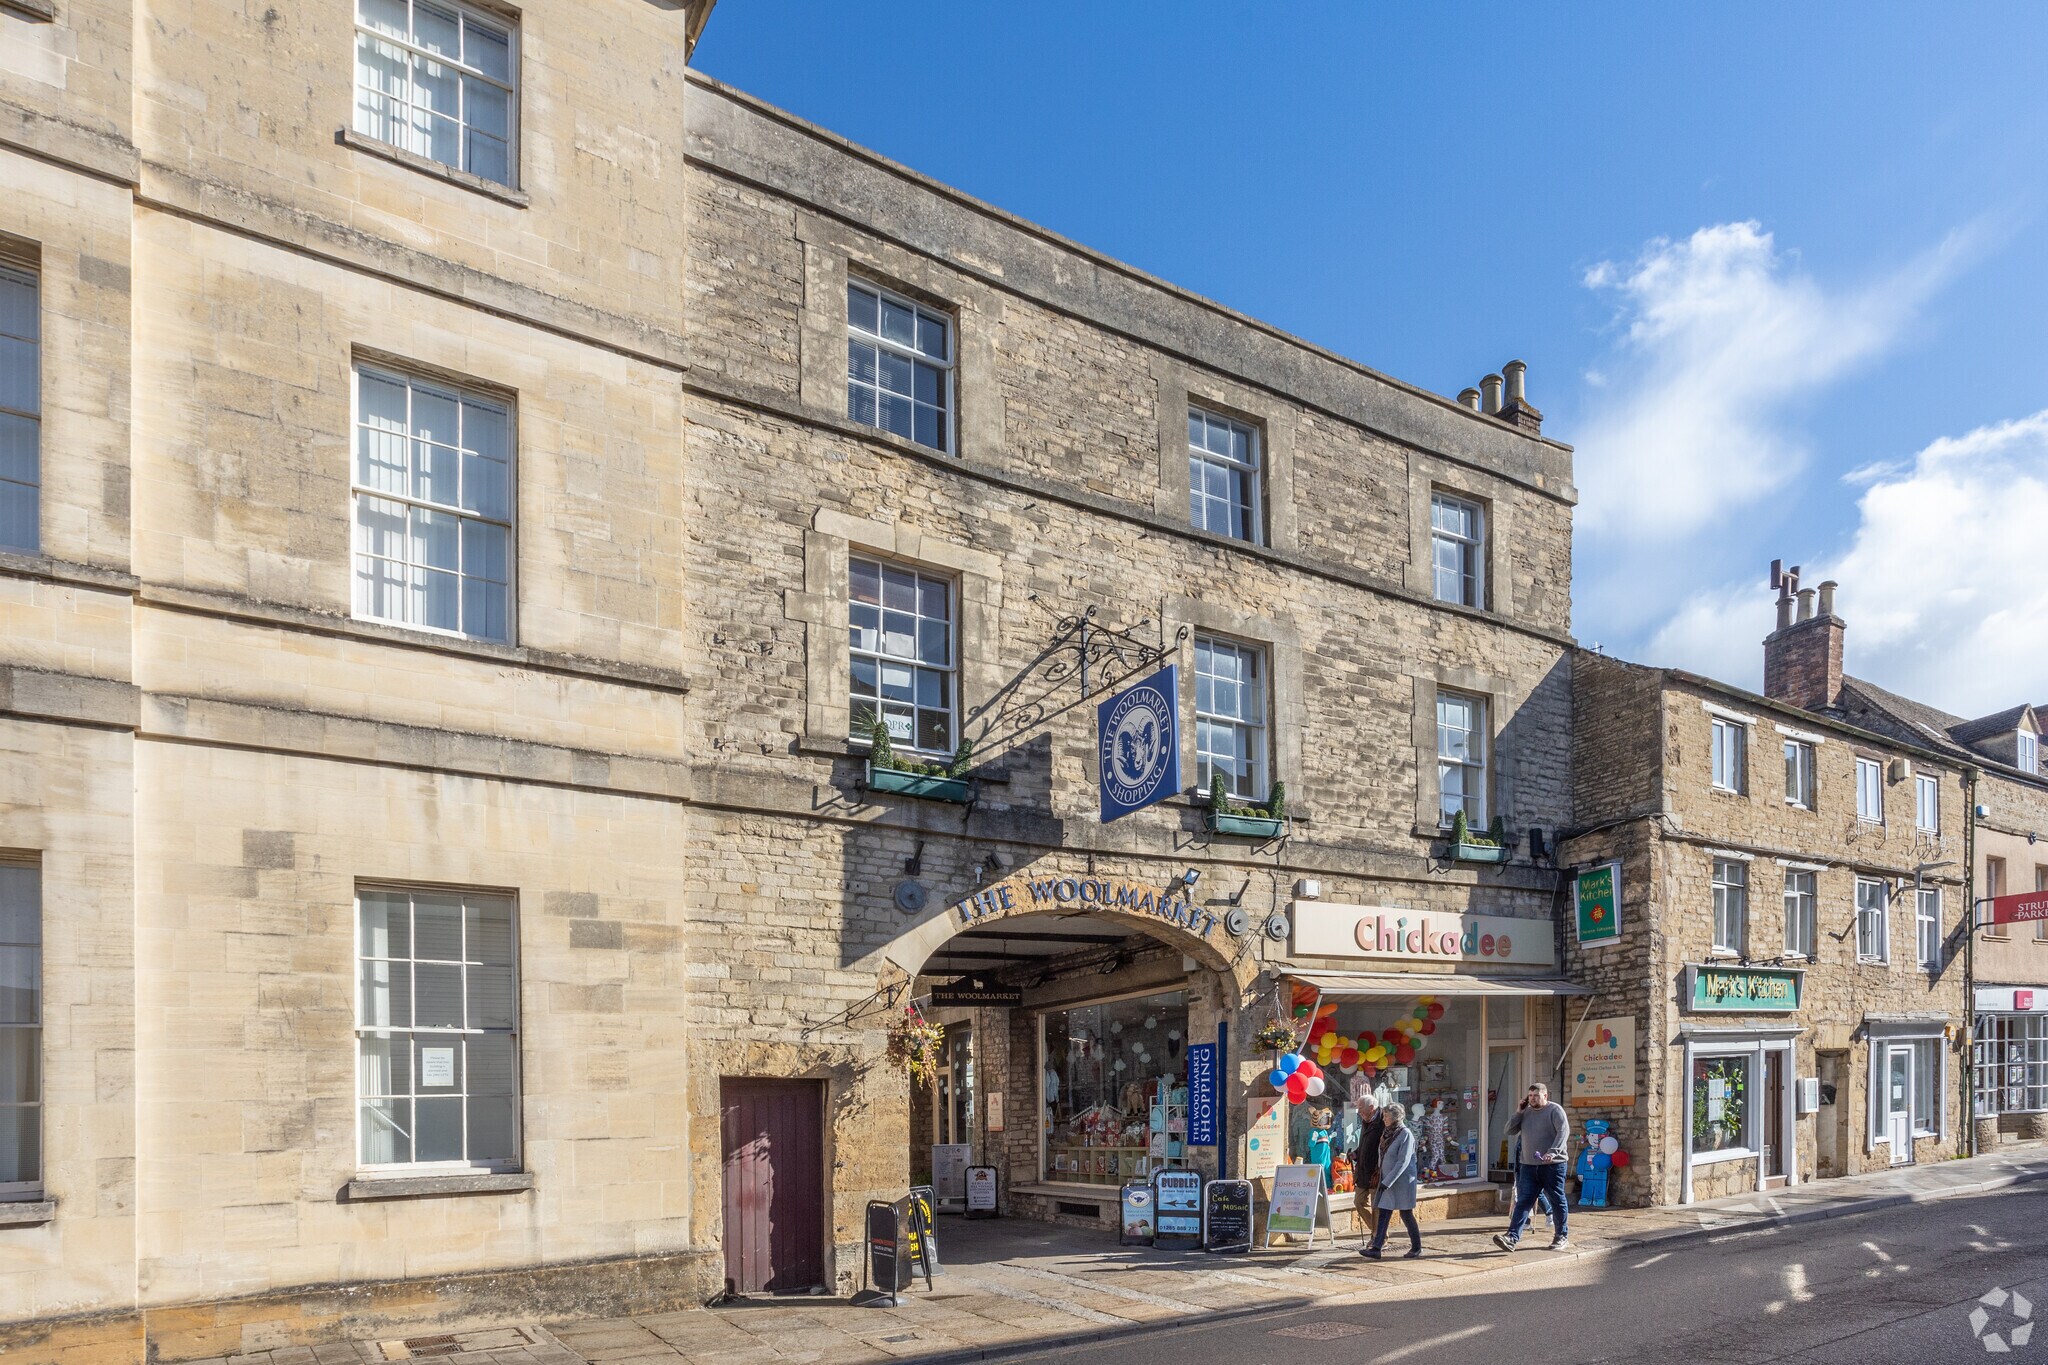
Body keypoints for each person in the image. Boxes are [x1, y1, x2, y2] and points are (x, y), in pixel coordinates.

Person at [1494, 1082, 1570, 1252]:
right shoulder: (1525, 1112)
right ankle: (1511, 1238)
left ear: (1545, 1096)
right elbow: (1509, 1130)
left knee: (1557, 1200)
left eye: (1536, 1095)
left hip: (1553, 1165)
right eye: (1530, 1096)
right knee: (1523, 1202)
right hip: (1528, 1165)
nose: (1532, 1099)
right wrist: (1518, 1112)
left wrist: (1553, 1152)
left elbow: (1563, 1132)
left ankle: (1561, 1236)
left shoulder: (1555, 1110)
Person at [1360, 1102, 1422, 1259]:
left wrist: (1388, 1181)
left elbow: (1403, 1161)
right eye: (1384, 1115)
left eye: (1387, 1116)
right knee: (1384, 1213)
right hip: (1386, 1180)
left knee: (1406, 1214)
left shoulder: (1405, 1134)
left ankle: (1416, 1247)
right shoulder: (1386, 1133)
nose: (1384, 1118)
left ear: (1395, 1117)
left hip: (1401, 1182)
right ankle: (1376, 1248)